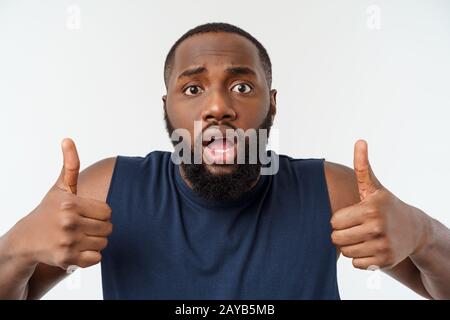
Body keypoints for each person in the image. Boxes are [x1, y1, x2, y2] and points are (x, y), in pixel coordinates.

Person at [0, 22, 449, 300]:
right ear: (167, 107)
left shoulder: (333, 191)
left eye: (241, 87)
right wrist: (16, 247)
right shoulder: (108, 188)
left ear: (271, 105)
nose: (217, 107)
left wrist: (424, 234)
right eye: (192, 89)